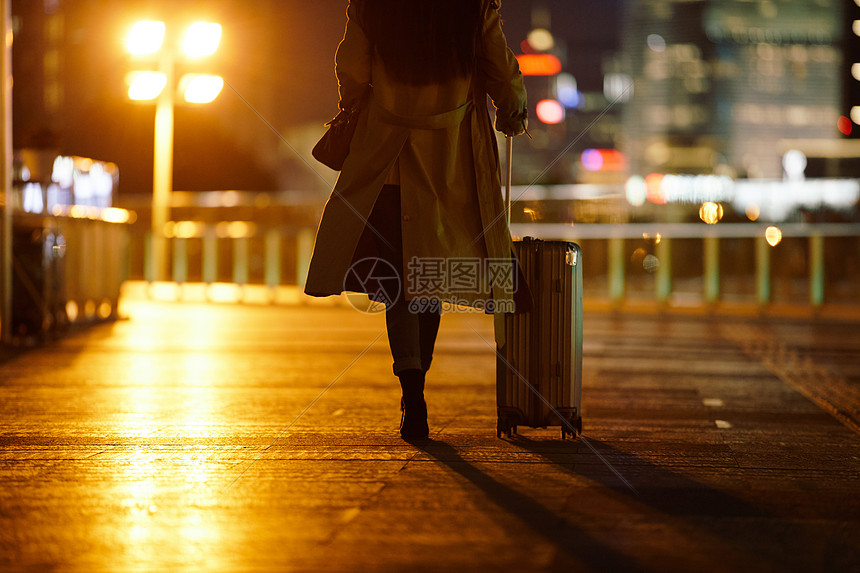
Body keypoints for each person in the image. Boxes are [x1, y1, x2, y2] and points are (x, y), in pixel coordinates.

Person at [305, 0, 528, 439]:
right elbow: (500, 65)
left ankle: (413, 392)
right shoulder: (474, 5)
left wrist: (354, 103)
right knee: (428, 275)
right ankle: (417, 381)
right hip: (451, 162)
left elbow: (350, 66)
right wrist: (513, 109)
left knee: (400, 285)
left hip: (385, 156)